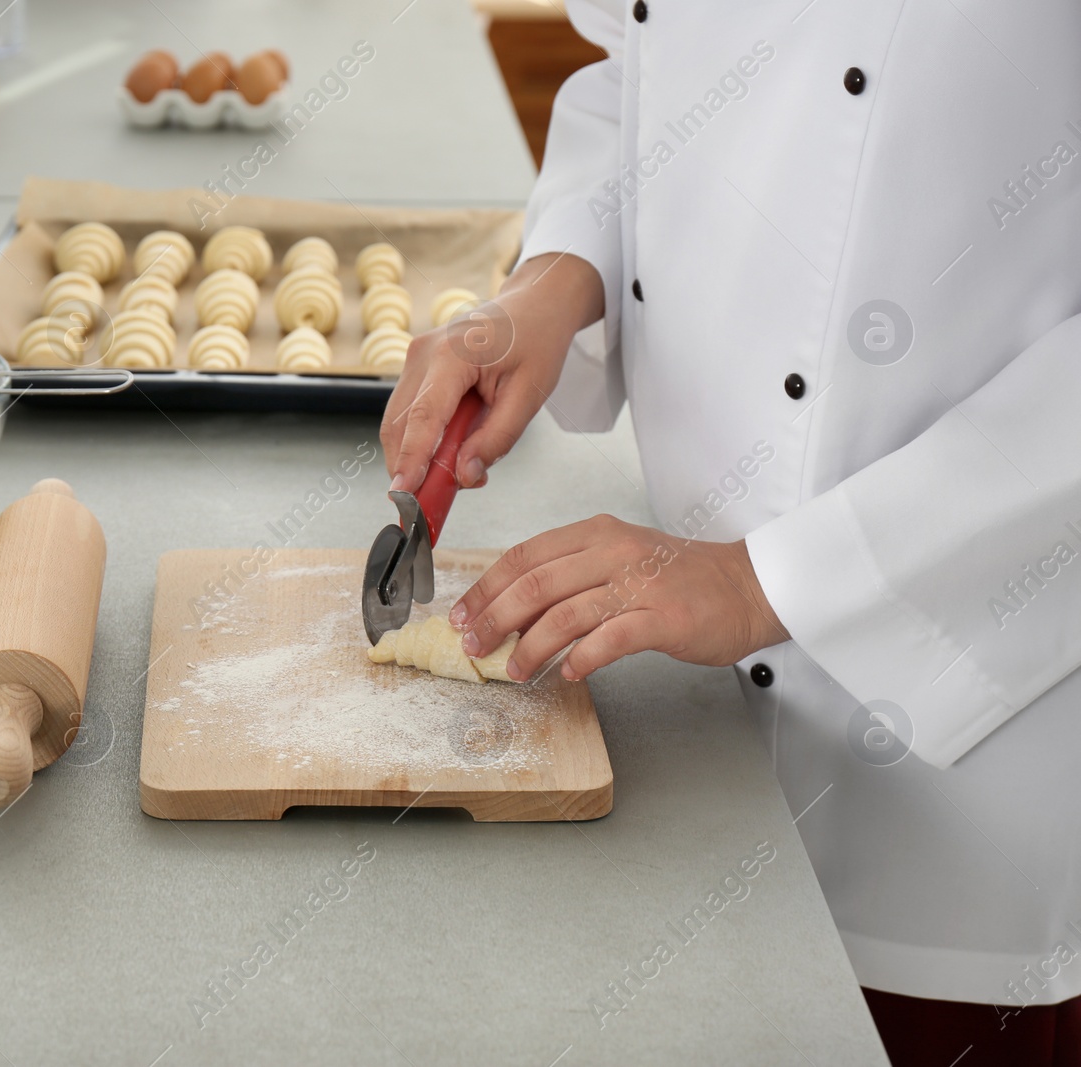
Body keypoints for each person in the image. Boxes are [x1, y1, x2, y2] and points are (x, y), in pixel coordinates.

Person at [381, 2, 1081, 1063]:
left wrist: (766, 584)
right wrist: (561, 272)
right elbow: (638, 62)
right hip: (678, 688)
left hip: (974, 719)